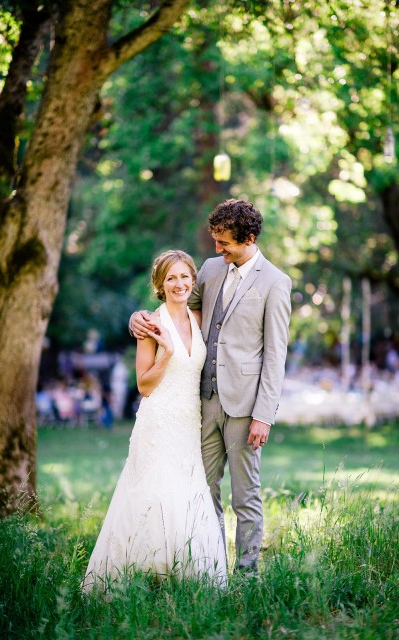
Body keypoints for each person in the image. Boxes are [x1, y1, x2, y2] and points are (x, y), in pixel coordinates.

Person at [130, 199, 291, 573]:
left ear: (248, 238)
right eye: (215, 241)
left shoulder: (275, 283)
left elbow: (275, 356)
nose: (217, 250)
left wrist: (263, 416)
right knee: (202, 490)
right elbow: (178, 313)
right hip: (202, 401)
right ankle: (211, 567)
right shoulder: (210, 269)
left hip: (246, 407)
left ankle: (247, 575)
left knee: (245, 495)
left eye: (225, 244)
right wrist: (138, 319)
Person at [83, 250, 226, 591]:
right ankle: (138, 571)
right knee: (153, 492)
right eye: (171, 278)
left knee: (186, 492)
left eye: (184, 276)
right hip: (159, 419)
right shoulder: (150, 324)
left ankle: (182, 572)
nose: (179, 283)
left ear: (193, 280)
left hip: (190, 421)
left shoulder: (199, 316)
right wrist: (167, 355)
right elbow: (144, 386)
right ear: (161, 284)